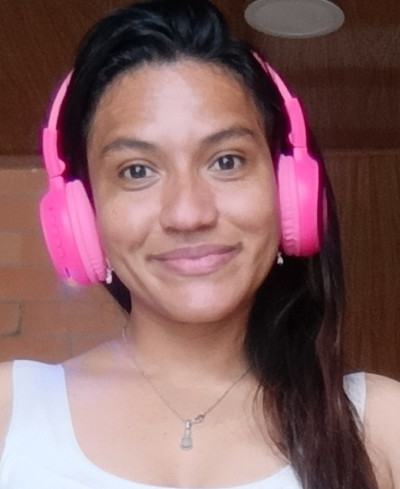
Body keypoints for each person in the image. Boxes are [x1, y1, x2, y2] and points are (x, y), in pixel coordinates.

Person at [0, 0, 399, 487]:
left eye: (227, 161)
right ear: (83, 212)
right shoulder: (11, 413)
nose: (188, 213)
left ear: (288, 190)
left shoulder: (381, 427)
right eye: (137, 171)